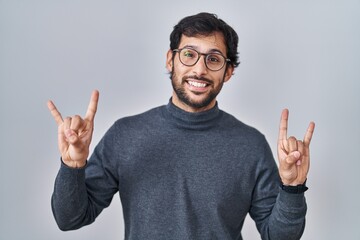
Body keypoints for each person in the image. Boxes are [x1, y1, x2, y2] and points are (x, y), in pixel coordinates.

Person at [48, 12, 315, 240]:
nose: (199, 69)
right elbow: (69, 219)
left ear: (228, 71)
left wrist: (292, 188)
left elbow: (278, 235)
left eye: (213, 59)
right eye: (189, 54)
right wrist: (73, 166)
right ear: (170, 60)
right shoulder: (125, 135)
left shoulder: (251, 145)